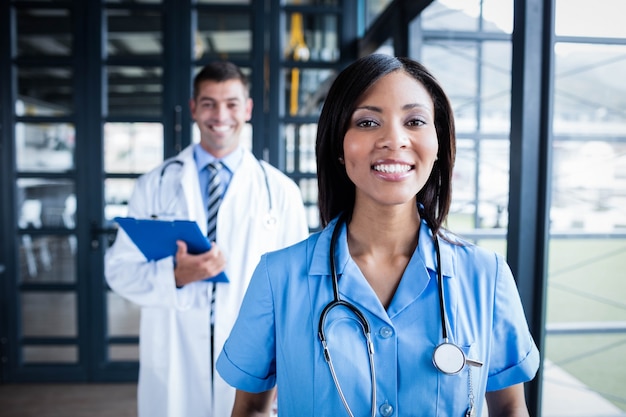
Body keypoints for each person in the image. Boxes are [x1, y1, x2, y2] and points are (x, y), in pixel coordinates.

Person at [216, 54, 540, 417]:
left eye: (414, 121)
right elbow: (250, 410)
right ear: (338, 145)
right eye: (368, 122)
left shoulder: (486, 276)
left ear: (438, 143)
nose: (393, 139)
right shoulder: (279, 278)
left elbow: (510, 409)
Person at [105, 61, 309, 417]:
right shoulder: (154, 184)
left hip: (252, 355)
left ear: (247, 109)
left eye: (231, 103)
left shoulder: (279, 190)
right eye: (209, 103)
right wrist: (176, 276)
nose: (220, 115)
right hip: (174, 349)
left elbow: (298, 291)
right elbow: (118, 271)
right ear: (195, 108)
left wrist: (289, 370)